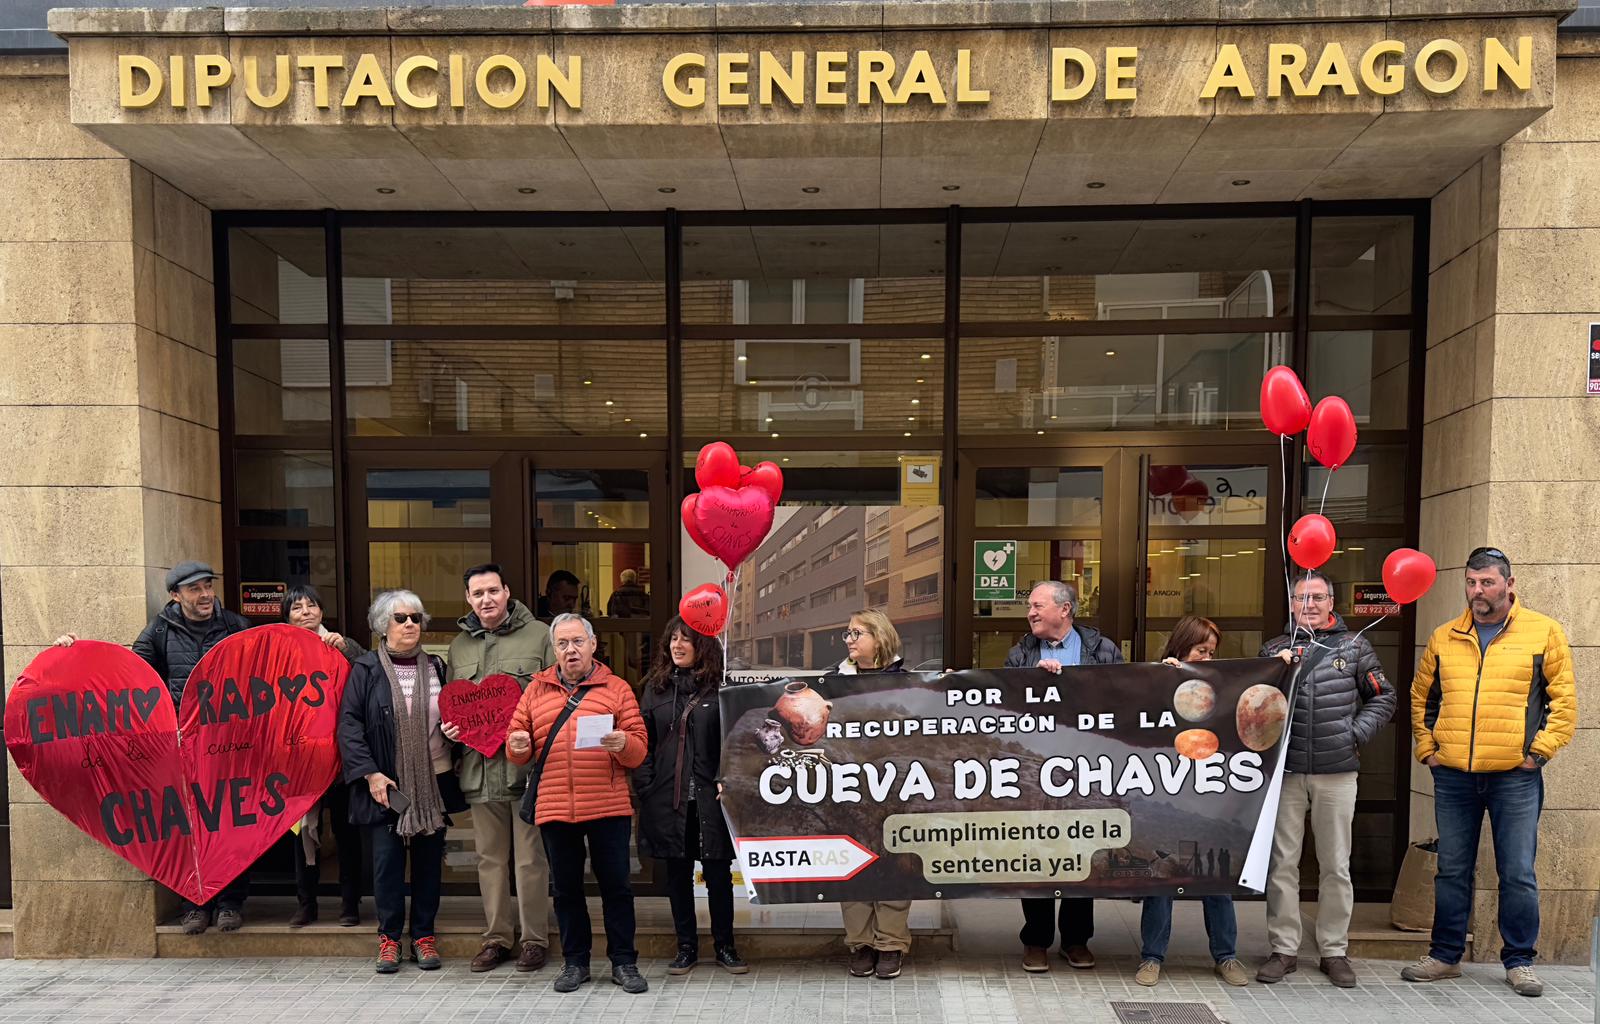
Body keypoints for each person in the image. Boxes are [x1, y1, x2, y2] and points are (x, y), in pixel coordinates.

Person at [1401, 547, 1577, 998]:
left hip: (1515, 777)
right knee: (1452, 869)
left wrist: (1537, 754)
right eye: (1471, 582)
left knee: (1517, 870)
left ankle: (1519, 961)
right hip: (1455, 775)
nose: (1478, 591)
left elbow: (1564, 704)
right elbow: (1421, 699)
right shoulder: (1445, 636)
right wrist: (1429, 750)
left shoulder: (1543, 633)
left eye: (1487, 583)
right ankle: (1444, 956)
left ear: (1509, 584)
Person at [53, 559, 252, 935]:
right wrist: (73, 653)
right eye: (195, 589)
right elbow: (124, 676)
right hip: (179, 749)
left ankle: (230, 902)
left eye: (208, 585)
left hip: (227, 746)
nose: (206, 594)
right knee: (189, 826)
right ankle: (196, 904)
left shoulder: (236, 627)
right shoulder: (159, 632)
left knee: (229, 823)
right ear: (176, 596)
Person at [1257, 570, 1396, 988]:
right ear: (1291, 604)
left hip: (1337, 772)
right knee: (1282, 863)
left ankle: (1334, 950)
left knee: (1336, 864)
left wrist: (1354, 733)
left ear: (1332, 603)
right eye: (1302, 597)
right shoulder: (1274, 649)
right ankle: (1284, 949)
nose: (1310, 605)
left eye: (1318, 597)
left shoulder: (1355, 647)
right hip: (1287, 772)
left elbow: (1383, 696)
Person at [507, 614, 650, 994]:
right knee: (566, 890)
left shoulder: (616, 688)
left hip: (607, 805)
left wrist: (624, 745)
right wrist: (517, 746)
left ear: (592, 644)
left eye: (577, 642)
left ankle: (624, 962)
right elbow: (516, 741)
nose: (570, 650)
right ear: (554, 649)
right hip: (555, 806)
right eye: (562, 644)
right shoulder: (535, 691)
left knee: (616, 888)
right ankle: (575, 963)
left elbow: (639, 748)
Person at [338, 590, 467, 975]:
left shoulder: (438, 667)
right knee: (387, 863)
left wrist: (455, 732)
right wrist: (370, 773)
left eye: (415, 617)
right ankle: (390, 938)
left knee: (429, 863)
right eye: (400, 618)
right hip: (386, 783)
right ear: (382, 625)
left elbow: (452, 718)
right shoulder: (365, 669)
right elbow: (349, 726)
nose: (410, 624)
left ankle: (424, 935)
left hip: (435, 779)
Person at [1004, 580, 1121, 973]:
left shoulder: (1101, 650)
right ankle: (1035, 940)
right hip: (1035, 771)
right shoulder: (1021, 654)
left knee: (1079, 848)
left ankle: (1075, 939)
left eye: (1038, 605)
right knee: (1035, 849)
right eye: (1030, 607)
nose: (1031, 613)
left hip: (1087, 769)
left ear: (1065, 609)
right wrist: (1031, 684)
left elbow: (1125, 697)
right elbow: (1004, 709)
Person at [447, 563, 557, 975]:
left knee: (531, 860)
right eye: (478, 594)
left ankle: (534, 940)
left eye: (493, 590)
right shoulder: (459, 647)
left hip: (526, 771)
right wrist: (452, 728)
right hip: (479, 768)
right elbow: (453, 704)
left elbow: (554, 696)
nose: (486, 599)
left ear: (507, 590)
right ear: (469, 600)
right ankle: (496, 939)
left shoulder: (540, 635)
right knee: (489, 860)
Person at [1136, 615, 1250, 988]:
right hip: (1167, 795)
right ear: (1182, 646)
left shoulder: (1219, 687)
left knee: (1216, 877)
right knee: (1161, 880)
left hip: (1208, 797)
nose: (1207, 658)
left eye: (1212, 652)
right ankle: (1152, 958)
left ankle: (1226, 956)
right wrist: (1162, 680)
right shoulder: (1157, 679)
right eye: (1201, 650)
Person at [636, 617, 747, 976]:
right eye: (673, 639)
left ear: (704, 646)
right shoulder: (655, 688)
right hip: (666, 798)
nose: (677, 645)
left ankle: (725, 946)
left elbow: (738, 742)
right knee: (677, 875)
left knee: (717, 874)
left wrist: (727, 778)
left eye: (686, 639)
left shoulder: (722, 689)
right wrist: (646, 784)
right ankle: (686, 947)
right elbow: (643, 742)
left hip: (710, 799)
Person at [281, 584, 366, 928]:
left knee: (346, 832)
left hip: (340, 757)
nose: (306, 612)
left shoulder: (341, 644)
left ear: (322, 611)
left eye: (311, 605)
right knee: (302, 833)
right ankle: (306, 903)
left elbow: (367, 673)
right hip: (298, 759)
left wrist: (347, 649)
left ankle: (350, 904)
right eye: (297, 608)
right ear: (286, 616)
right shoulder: (278, 652)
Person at [835, 610, 911, 980]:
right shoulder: (835, 682)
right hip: (849, 789)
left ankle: (891, 943)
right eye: (847, 633)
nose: (849, 639)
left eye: (856, 633)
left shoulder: (910, 683)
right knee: (853, 864)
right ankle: (860, 943)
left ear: (879, 638)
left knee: (894, 861)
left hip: (896, 789)